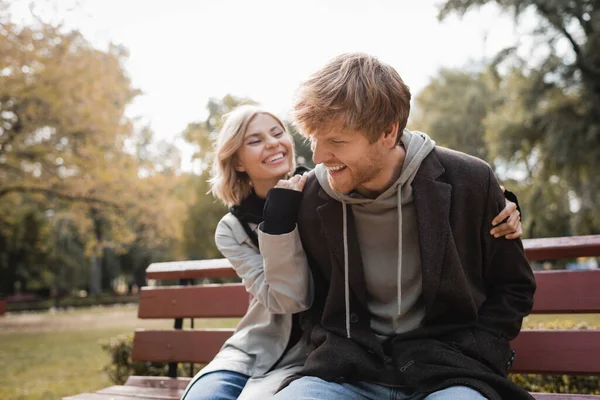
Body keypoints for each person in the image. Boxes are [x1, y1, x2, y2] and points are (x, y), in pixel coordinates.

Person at [181, 103, 524, 400]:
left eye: (277, 132)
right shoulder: (236, 226)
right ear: (237, 161)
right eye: (255, 141)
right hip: (267, 343)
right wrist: (279, 224)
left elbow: (406, 177)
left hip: (319, 350)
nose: (272, 143)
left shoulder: (320, 190)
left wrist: (500, 199)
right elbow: (288, 299)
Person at [259, 53, 536, 400]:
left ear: (388, 132)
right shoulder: (311, 193)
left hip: (449, 371)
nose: (317, 156)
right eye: (315, 138)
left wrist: (481, 348)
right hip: (345, 371)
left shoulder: (470, 179)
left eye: (337, 142)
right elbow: (303, 296)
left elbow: (514, 286)